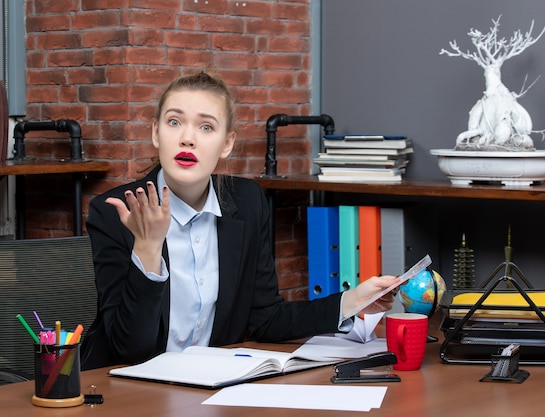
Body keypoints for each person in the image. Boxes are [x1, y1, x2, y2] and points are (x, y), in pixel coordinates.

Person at [81, 71, 400, 370]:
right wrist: (148, 249)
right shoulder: (114, 211)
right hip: (128, 395)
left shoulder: (247, 203)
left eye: (206, 127)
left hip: (211, 386)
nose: (188, 139)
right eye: (174, 122)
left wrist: (352, 301)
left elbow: (266, 318)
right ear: (156, 132)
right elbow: (129, 349)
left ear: (227, 143)